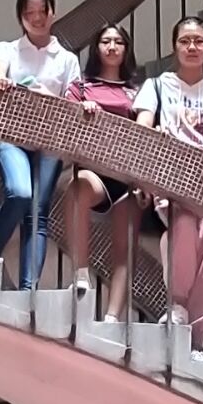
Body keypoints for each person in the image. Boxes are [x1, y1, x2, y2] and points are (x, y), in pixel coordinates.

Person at [134, 16, 203, 351]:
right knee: (184, 220)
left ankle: (197, 341)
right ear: (174, 47)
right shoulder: (156, 86)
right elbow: (142, 127)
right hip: (172, 175)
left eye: (198, 41)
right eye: (185, 41)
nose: (192, 47)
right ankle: (177, 305)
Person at [0, 0, 81, 289]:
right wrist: (2, 80)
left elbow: (73, 102)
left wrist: (48, 98)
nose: (37, 18)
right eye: (30, 13)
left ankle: (28, 290)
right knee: (19, 193)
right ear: (20, 17)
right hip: (12, 135)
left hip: (50, 142)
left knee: (38, 215)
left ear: (53, 11)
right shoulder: (8, 49)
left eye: (42, 11)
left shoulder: (67, 59)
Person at [65, 25, 142, 322]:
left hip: (129, 174)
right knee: (78, 189)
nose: (112, 46)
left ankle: (112, 318)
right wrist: (80, 111)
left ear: (126, 48)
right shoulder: (81, 87)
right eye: (105, 41)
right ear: (96, 48)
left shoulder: (138, 91)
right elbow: (65, 123)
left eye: (118, 41)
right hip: (94, 169)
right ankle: (80, 271)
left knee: (125, 247)